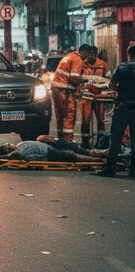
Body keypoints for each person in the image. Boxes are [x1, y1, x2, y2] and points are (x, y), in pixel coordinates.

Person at [96, 43, 135, 177]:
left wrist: (120, 91)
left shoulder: (122, 67)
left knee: (115, 138)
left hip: (123, 107)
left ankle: (110, 169)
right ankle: (133, 171)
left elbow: (112, 84)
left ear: (128, 54)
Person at [50, 44, 94, 142]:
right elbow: (74, 78)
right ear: (85, 52)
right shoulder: (77, 59)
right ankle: (68, 141)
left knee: (60, 117)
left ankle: (61, 140)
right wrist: (85, 79)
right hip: (64, 90)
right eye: (88, 54)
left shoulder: (69, 56)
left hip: (57, 89)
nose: (87, 57)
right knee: (69, 116)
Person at [80, 46, 111, 148]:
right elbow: (77, 78)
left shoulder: (103, 64)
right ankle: (85, 142)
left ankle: (100, 141)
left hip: (99, 96)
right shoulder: (82, 64)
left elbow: (109, 79)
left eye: (94, 54)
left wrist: (105, 89)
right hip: (86, 96)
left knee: (100, 119)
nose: (92, 56)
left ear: (96, 54)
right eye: (90, 53)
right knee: (85, 119)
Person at [0, 139, 107, 162]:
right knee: (71, 155)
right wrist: (2, 157)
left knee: (71, 147)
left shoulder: (20, 145)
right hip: (48, 153)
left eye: (8, 144)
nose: (11, 145)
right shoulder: (19, 153)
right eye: (8, 147)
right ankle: (96, 159)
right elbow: (14, 155)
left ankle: (97, 154)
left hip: (49, 148)